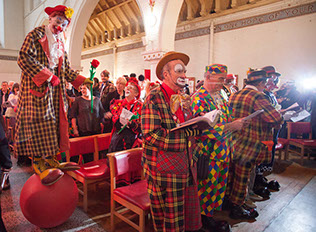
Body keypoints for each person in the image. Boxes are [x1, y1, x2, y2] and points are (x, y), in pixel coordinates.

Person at [14, 5, 93, 186]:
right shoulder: (36, 35)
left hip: (54, 96)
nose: (60, 26)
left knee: (53, 125)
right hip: (36, 94)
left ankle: (50, 159)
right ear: (50, 19)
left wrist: (82, 80)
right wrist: (48, 76)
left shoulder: (60, 43)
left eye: (64, 25)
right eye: (58, 21)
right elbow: (23, 57)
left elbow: (65, 70)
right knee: (38, 125)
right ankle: (38, 161)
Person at [141, 51, 202, 232]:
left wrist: (199, 121)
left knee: (181, 214)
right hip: (163, 170)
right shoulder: (154, 98)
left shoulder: (183, 97)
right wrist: (188, 136)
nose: (184, 75)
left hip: (185, 165)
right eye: (179, 71)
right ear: (165, 75)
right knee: (168, 219)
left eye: (184, 71)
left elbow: (184, 123)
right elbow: (151, 135)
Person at [191, 64, 246, 232]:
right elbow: (204, 128)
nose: (223, 83)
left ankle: (212, 214)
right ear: (207, 77)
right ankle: (204, 219)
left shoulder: (220, 95)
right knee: (207, 187)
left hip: (224, 150)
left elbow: (227, 116)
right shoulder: (198, 98)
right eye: (220, 79)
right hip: (209, 152)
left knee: (219, 186)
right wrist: (231, 127)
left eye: (224, 79)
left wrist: (237, 123)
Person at [227, 69, 283, 219]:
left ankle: (233, 202)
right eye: (265, 83)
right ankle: (237, 207)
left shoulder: (234, 94)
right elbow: (276, 117)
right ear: (260, 83)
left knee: (234, 175)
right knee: (242, 177)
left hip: (234, 140)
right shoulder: (258, 96)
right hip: (251, 142)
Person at [108, 77, 142, 152]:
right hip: (117, 140)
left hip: (131, 140)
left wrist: (133, 124)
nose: (127, 89)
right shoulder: (117, 104)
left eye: (131, 88)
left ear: (136, 93)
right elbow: (114, 121)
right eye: (127, 87)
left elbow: (142, 127)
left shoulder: (140, 106)